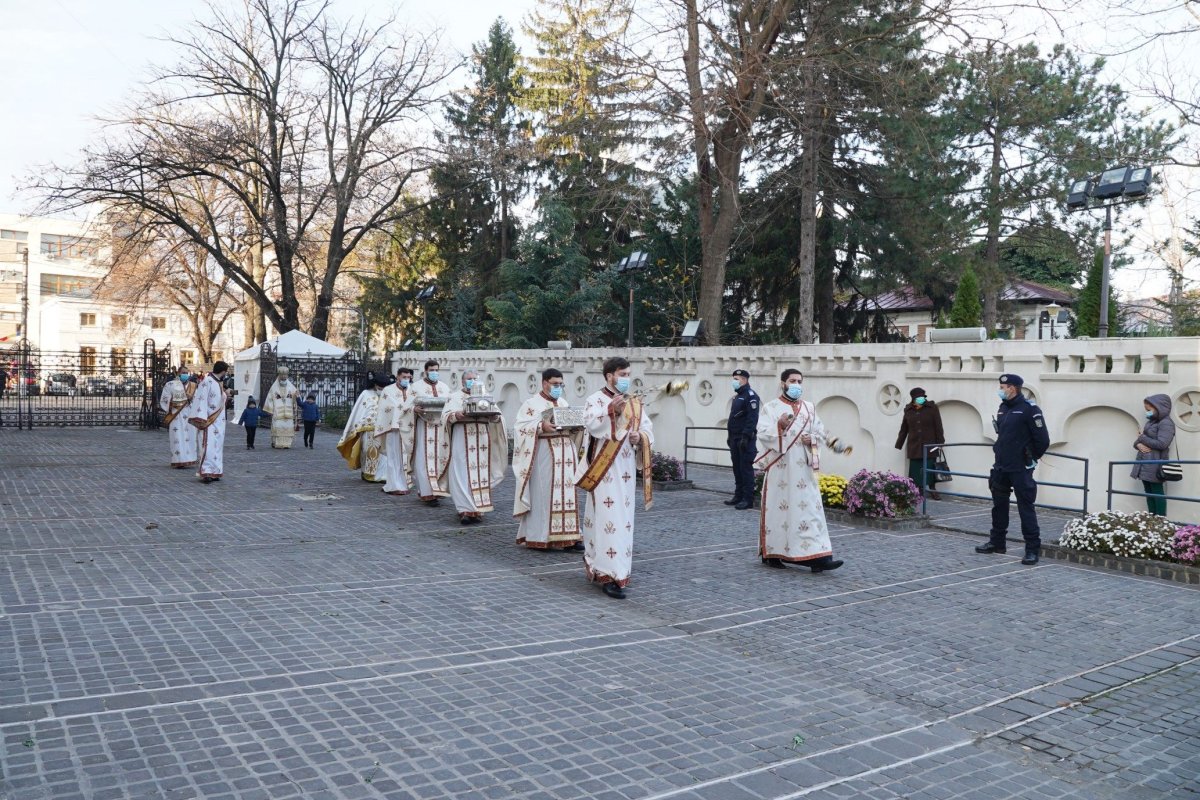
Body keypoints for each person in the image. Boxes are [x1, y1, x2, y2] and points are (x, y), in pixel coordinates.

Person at [574, 357, 655, 599]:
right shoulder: (595, 400)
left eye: (628, 374)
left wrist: (639, 438)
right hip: (604, 472)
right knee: (606, 520)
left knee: (623, 522)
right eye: (622, 374)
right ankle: (607, 575)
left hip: (627, 472)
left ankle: (620, 570)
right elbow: (590, 424)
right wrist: (612, 411)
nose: (626, 378)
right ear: (609, 375)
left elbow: (649, 430)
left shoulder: (635, 403)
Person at [755, 369, 843, 572]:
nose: (796, 384)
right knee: (781, 512)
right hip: (781, 470)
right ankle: (773, 554)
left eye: (799, 381)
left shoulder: (809, 408)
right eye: (792, 381)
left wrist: (811, 440)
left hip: (804, 469)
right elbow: (762, 433)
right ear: (783, 383)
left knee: (810, 510)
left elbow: (819, 432)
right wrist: (780, 426)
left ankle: (820, 557)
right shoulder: (771, 408)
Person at [976, 374, 1050, 565]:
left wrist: (1030, 458)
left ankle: (1032, 549)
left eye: (1003, 387)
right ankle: (997, 542)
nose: (1000, 390)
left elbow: (1043, 440)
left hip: (1020, 468)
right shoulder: (1003, 408)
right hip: (1001, 466)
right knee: (998, 507)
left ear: (1013, 388)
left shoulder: (1029, 410)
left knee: (1026, 508)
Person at [512, 368, 584, 550]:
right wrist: (540, 425)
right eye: (555, 384)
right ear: (544, 383)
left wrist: (576, 427)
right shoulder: (531, 404)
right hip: (545, 453)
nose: (558, 387)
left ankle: (571, 536)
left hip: (566, 453)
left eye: (561, 384)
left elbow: (569, 426)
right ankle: (541, 536)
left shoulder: (563, 402)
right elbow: (520, 428)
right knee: (544, 495)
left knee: (568, 495)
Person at [439, 370, 508, 524]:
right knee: (461, 473)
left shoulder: (485, 395)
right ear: (462, 381)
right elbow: (445, 416)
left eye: (474, 379)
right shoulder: (455, 397)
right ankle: (464, 509)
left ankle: (477, 509)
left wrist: (495, 416)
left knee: (481, 473)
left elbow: (498, 416)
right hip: (461, 439)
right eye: (469, 379)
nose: (472, 381)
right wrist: (457, 415)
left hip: (482, 440)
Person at [336, 373, 390, 482]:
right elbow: (359, 410)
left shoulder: (389, 394)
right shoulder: (366, 393)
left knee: (384, 453)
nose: (381, 389)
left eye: (384, 387)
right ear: (374, 384)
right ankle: (368, 474)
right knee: (368, 451)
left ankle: (382, 475)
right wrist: (359, 427)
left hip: (384, 428)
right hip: (368, 429)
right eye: (380, 387)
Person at [895, 387, 945, 500]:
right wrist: (899, 443)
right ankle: (918, 490)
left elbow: (938, 425)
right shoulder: (908, 410)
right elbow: (904, 429)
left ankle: (932, 489)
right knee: (916, 470)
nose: (921, 399)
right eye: (919, 398)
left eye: (923, 397)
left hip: (930, 445)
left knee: (930, 467)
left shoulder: (932, 408)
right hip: (914, 445)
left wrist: (940, 442)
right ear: (913, 399)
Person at [411, 360, 450, 506]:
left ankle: (438, 490)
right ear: (426, 370)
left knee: (440, 458)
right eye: (432, 369)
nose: (435, 372)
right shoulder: (416, 387)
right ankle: (427, 493)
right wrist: (414, 410)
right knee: (424, 460)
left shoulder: (444, 387)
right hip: (424, 428)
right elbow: (406, 406)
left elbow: (450, 404)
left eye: (436, 370)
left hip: (440, 429)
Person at [372, 368, 416, 495]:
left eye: (408, 377)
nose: (406, 379)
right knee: (394, 457)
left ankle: (404, 484)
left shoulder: (413, 390)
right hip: (393, 429)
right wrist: (407, 409)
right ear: (398, 377)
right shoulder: (388, 390)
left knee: (407, 457)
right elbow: (386, 408)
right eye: (404, 377)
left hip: (409, 429)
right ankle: (393, 485)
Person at [1131, 394, 1175, 516]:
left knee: (1156, 493)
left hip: (1155, 463)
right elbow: (1138, 441)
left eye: (1149, 409)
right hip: (1144, 463)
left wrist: (1142, 438)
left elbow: (1162, 444)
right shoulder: (1151, 422)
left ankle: (1160, 520)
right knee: (1149, 492)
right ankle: (1151, 519)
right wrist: (1138, 445)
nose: (1147, 412)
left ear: (1159, 407)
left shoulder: (1166, 423)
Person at [189, 362, 229, 483]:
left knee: (217, 447)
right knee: (207, 446)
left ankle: (215, 471)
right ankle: (206, 472)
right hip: (208, 421)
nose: (226, 374)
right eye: (226, 371)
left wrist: (226, 394)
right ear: (223, 371)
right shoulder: (207, 382)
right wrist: (201, 418)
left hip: (219, 422)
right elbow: (201, 400)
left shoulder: (217, 382)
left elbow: (219, 400)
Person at [725, 369, 760, 510]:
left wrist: (745, 437)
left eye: (737, 379)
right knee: (737, 468)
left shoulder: (751, 396)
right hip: (734, 438)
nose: (734, 381)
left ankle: (748, 499)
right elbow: (733, 418)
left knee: (745, 469)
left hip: (745, 439)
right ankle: (738, 495)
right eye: (734, 378)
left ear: (744, 380)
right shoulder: (737, 396)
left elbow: (752, 419)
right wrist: (729, 436)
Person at [158, 364, 198, 469]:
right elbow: (164, 399)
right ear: (178, 373)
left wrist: (191, 398)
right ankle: (179, 460)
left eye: (187, 373)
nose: (185, 375)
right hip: (176, 415)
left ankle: (190, 458)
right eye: (183, 373)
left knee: (190, 437)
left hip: (189, 414)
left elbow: (199, 401)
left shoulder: (193, 386)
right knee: (177, 437)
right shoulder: (170, 385)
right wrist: (174, 402)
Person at [261, 366, 300, 448]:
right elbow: (270, 398)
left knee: (287, 427)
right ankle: (276, 443)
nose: (283, 377)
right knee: (277, 427)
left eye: (285, 375)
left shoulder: (291, 387)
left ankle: (287, 444)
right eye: (282, 375)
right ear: (279, 375)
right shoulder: (274, 387)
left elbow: (295, 399)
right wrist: (270, 410)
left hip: (288, 412)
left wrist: (296, 396)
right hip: (278, 412)